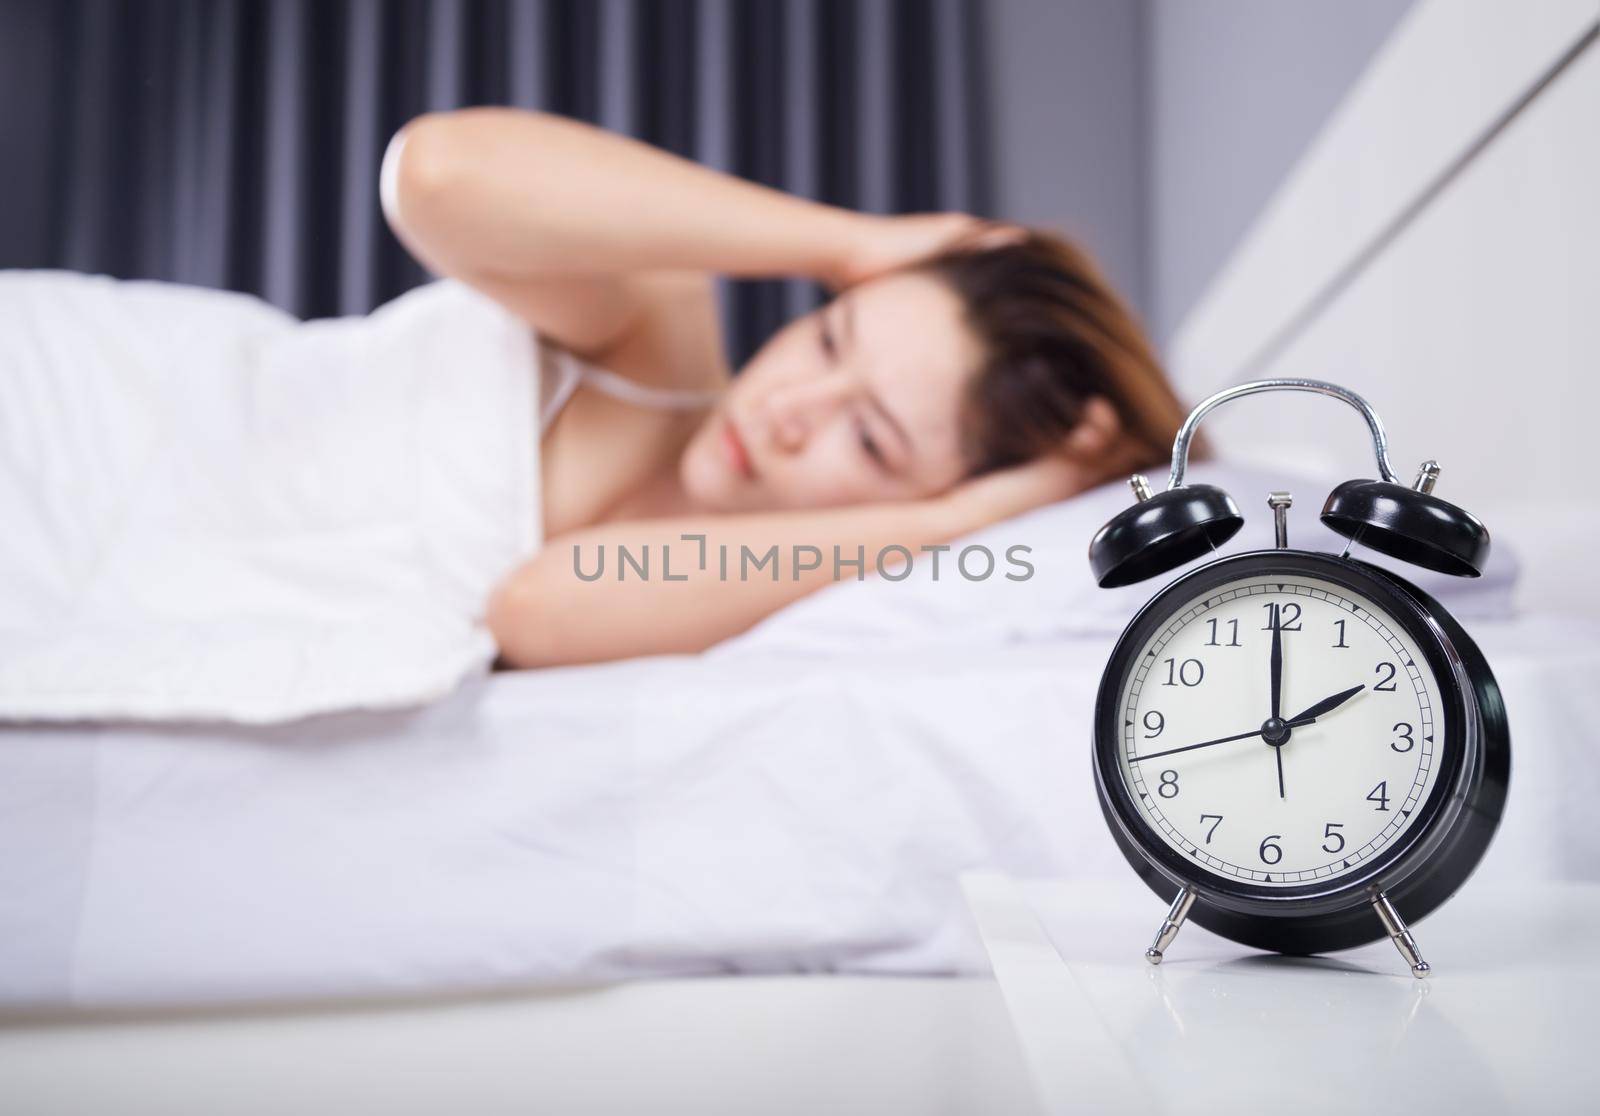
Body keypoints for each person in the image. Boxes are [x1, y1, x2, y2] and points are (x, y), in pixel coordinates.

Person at [383, 108, 1190, 668]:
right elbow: (434, 174)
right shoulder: (651, 325)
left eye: (871, 438)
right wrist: (850, 245)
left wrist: (960, 520)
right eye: (828, 335)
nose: (784, 411)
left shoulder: (767, 584)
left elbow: (533, 612)